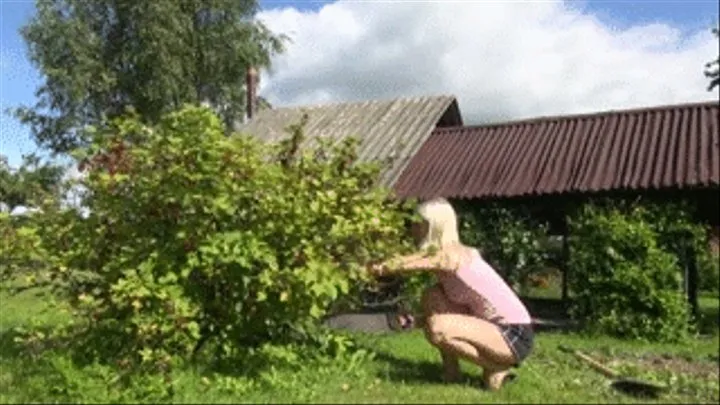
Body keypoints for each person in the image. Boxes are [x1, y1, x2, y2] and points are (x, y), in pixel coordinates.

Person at [370, 198, 534, 391]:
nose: (412, 228)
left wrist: (372, 268)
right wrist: (418, 321)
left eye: (417, 223)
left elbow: (404, 264)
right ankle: (451, 372)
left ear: (432, 227)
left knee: (438, 328)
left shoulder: (451, 255)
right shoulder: (446, 255)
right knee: (433, 295)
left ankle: (496, 367)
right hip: (488, 327)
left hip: (513, 335)